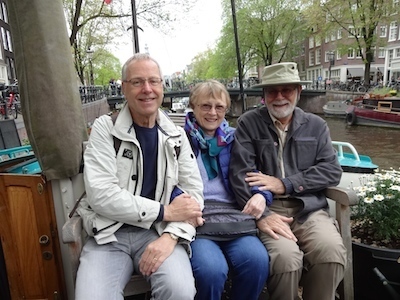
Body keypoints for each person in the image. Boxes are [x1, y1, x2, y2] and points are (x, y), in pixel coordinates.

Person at [75, 53, 204, 300]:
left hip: (157, 232)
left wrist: (171, 236)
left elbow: (194, 194)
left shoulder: (176, 135)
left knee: (180, 291)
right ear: (124, 88)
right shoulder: (105, 129)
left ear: (162, 87)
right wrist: (166, 211)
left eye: (153, 81)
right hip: (108, 235)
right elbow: (102, 195)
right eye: (137, 82)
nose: (147, 89)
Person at [229, 62, 346, 300]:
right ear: (263, 95)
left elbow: (331, 171)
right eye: (272, 91)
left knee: (331, 252)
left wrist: (285, 183)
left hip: (310, 208)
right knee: (285, 259)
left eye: (287, 90)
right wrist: (261, 216)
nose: (279, 97)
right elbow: (240, 174)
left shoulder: (316, 125)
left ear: (299, 91)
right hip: (269, 208)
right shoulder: (249, 123)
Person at [185, 80, 270, 300]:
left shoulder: (236, 138)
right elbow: (168, 181)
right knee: (211, 271)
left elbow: (255, 174)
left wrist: (262, 195)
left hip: (235, 217)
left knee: (257, 262)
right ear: (193, 106)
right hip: (198, 220)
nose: (213, 113)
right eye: (205, 106)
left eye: (219, 107)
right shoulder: (178, 140)